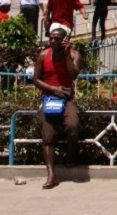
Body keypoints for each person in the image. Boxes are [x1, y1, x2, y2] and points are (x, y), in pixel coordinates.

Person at [32, 23, 83, 190]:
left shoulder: (74, 54)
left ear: (64, 41)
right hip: (48, 98)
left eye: (57, 39)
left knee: (73, 125)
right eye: (51, 38)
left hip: (67, 99)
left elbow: (73, 74)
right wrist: (53, 89)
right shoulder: (43, 55)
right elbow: (36, 79)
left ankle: (70, 156)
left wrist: (67, 56)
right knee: (48, 134)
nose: (53, 41)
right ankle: (51, 175)